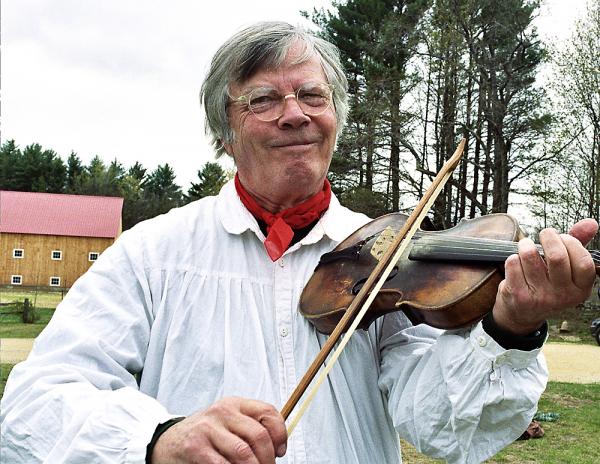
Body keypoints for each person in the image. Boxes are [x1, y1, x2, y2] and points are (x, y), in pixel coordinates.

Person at [1, 21, 598, 464]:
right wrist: (156, 440)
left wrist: (511, 326)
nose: (295, 115)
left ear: (335, 116)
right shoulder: (151, 253)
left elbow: (445, 429)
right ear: (225, 132)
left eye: (313, 96)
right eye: (263, 99)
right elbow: (32, 407)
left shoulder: (397, 257)